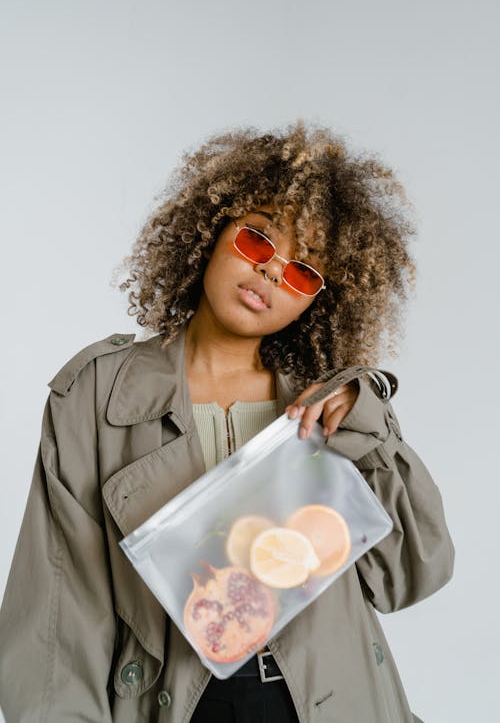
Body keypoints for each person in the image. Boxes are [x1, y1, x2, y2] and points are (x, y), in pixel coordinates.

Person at [0, 120, 454, 722]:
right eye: (259, 241)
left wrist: (369, 430)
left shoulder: (331, 407)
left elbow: (411, 577)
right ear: (211, 232)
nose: (272, 272)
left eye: (302, 272)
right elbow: (59, 622)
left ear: (318, 301)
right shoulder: (98, 395)